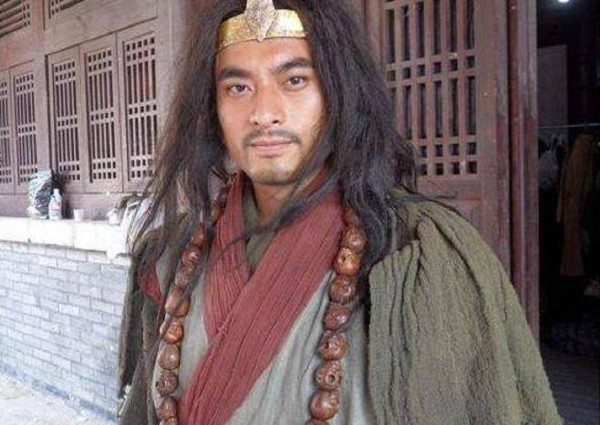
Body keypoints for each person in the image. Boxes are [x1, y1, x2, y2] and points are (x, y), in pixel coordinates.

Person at [117, 0, 562, 424]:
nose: (264, 113)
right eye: (238, 87)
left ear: (338, 94)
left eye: (295, 80)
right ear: (212, 108)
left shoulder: (424, 255)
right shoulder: (175, 255)